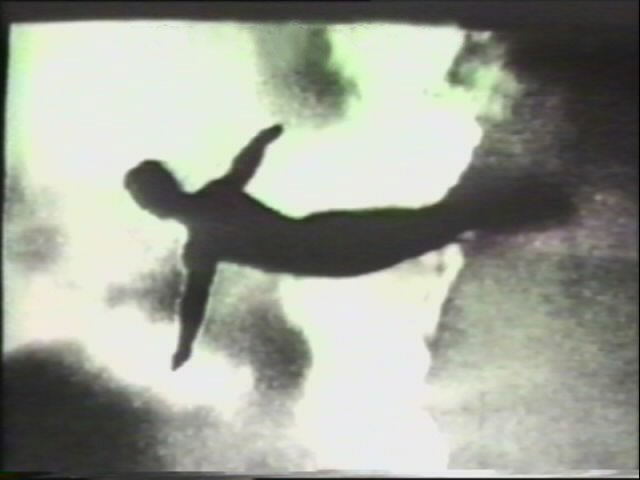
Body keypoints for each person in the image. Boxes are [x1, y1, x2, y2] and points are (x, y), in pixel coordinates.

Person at [124, 124, 575, 370]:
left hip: (331, 243)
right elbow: (193, 301)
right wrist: (184, 345)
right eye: (143, 202)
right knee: (438, 224)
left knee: (437, 222)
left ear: (162, 196)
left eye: (146, 199)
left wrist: (261, 141)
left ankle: (536, 203)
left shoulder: (206, 231)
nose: (148, 208)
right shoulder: (207, 225)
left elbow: (241, 169)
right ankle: (538, 205)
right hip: (334, 247)